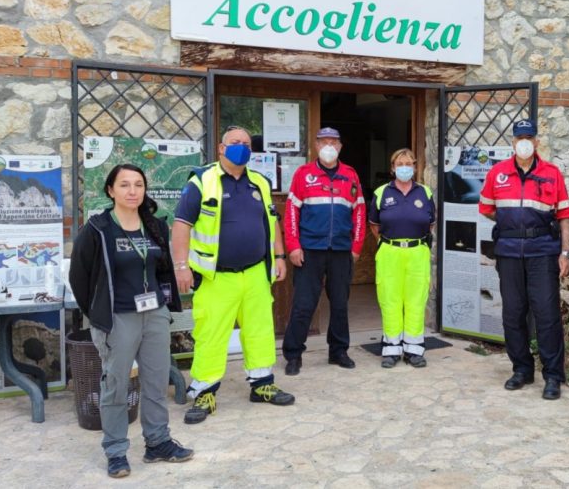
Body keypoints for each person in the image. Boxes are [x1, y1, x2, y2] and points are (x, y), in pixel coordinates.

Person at [70, 164, 193, 478]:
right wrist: (99, 315)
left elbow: (162, 269)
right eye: (124, 185)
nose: (132, 191)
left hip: (154, 314)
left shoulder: (154, 227)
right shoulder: (97, 229)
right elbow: (79, 277)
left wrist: (164, 306)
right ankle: (115, 451)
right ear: (111, 190)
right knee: (115, 384)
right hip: (118, 318)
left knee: (155, 382)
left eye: (138, 184)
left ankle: (158, 442)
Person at [171, 126, 292, 425]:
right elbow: (181, 225)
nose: (241, 147)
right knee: (211, 334)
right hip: (216, 277)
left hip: (255, 274)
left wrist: (279, 256)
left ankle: (262, 384)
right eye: (235, 143)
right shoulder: (201, 181)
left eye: (247, 144)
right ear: (221, 149)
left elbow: (272, 221)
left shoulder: (260, 182)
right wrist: (181, 266)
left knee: (260, 331)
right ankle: (205, 392)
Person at [479, 118, 569, 400]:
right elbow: (486, 208)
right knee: (512, 314)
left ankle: (553, 375)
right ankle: (521, 369)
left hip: (543, 252)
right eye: (519, 137)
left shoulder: (552, 173)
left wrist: (565, 252)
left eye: (528, 137)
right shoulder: (498, 173)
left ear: (536, 142)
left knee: (547, 315)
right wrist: (513, 225)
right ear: (513, 142)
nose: (524, 141)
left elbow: (565, 215)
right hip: (508, 252)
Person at [282, 127, 367, 374]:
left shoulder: (350, 175)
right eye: (323, 142)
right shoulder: (303, 173)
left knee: (340, 304)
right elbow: (291, 212)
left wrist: (357, 246)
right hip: (310, 250)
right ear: (316, 146)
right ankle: (294, 354)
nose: (329, 146)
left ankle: (338, 351)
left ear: (340, 146)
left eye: (334, 142)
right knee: (303, 304)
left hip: (341, 250)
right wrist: (294, 246)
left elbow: (359, 211)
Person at [368, 148, 436, 368]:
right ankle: (391, 349)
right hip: (390, 252)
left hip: (417, 252)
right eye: (400, 164)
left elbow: (431, 223)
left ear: (415, 167)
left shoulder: (425, 193)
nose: (404, 168)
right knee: (390, 300)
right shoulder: (381, 193)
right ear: (392, 168)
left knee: (416, 300)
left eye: (409, 164)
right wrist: (390, 243)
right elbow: (374, 225)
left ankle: (414, 350)